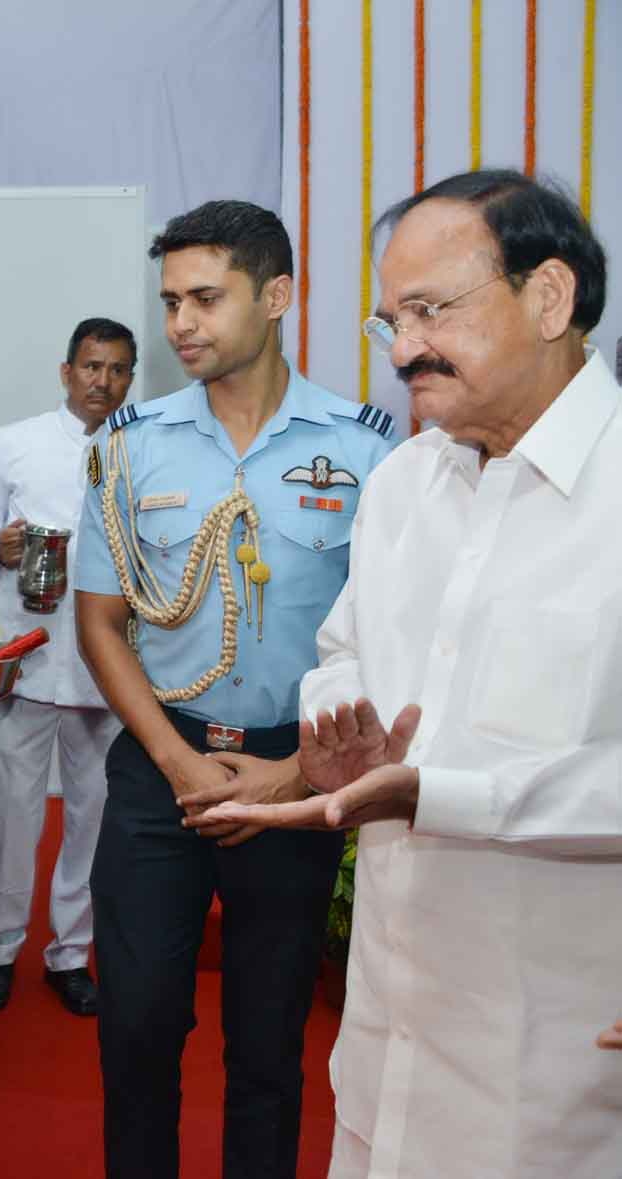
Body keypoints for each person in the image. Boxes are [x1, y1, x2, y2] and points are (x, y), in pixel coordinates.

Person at [196, 170, 622, 1177]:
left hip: (558, 1054)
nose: (399, 351)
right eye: (387, 320)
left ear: (548, 298)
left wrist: (441, 793)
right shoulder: (399, 486)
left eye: (430, 311)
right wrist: (337, 732)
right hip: (387, 1020)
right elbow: (343, 652)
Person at [72, 200, 397, 1178]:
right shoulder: (128, 445)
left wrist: (281, 776)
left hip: (296, 777)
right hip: (157, 772)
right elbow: (98, 623)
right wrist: (180, 767)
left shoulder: (365, 447)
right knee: (133, 1029)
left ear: (276, 296)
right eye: (170, 300)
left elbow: (391, 641)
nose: (179, 323)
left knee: (267, 1043)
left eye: (204, 298)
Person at [0, 318, 136, 1014]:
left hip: (108, 667)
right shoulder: (18, 442)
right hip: (29, 656)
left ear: (130, 377)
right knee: (11, 815)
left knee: (93, 818)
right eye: (91, 367)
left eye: (118, 369)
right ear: (66, 372)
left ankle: (70, 952)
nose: (103, 381)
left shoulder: (143, 446)